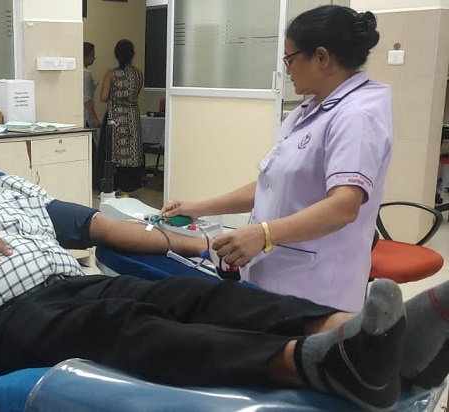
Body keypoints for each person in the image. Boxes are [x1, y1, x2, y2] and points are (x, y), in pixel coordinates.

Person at [0, 115, 449, 412]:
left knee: (196, 296)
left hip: (73, 284)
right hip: (6, 321)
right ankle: (309, 364)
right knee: (127, 328)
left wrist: (182, 242)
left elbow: (95, 226)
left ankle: (362, 334)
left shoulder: (10, 189)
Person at [161, 6, 391, 312]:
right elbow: (271, 183)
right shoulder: (307, 112)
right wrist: (198, 207)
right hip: (278, 273)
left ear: (321, 58)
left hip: (317, 285)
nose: (287, 69)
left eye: (290, 59)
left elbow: (344, 206)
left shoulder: (357, 115)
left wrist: (264, 234)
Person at [94, 39, 144, 195]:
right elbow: (136, 93)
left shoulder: (111, 74)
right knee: (131, 152)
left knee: (111, 152)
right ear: (133, 54)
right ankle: (129, 185)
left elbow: (103, 97)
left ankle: (110, 185)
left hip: (115, 117)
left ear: (116, 55)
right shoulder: (138, 74)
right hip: (132, 117)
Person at [83, 42, 101, 129]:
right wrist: (95, 118)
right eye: (92, 55)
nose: (94, 58)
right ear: (85, 56)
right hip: (86, 117)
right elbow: (86, 98)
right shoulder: (86, 73)